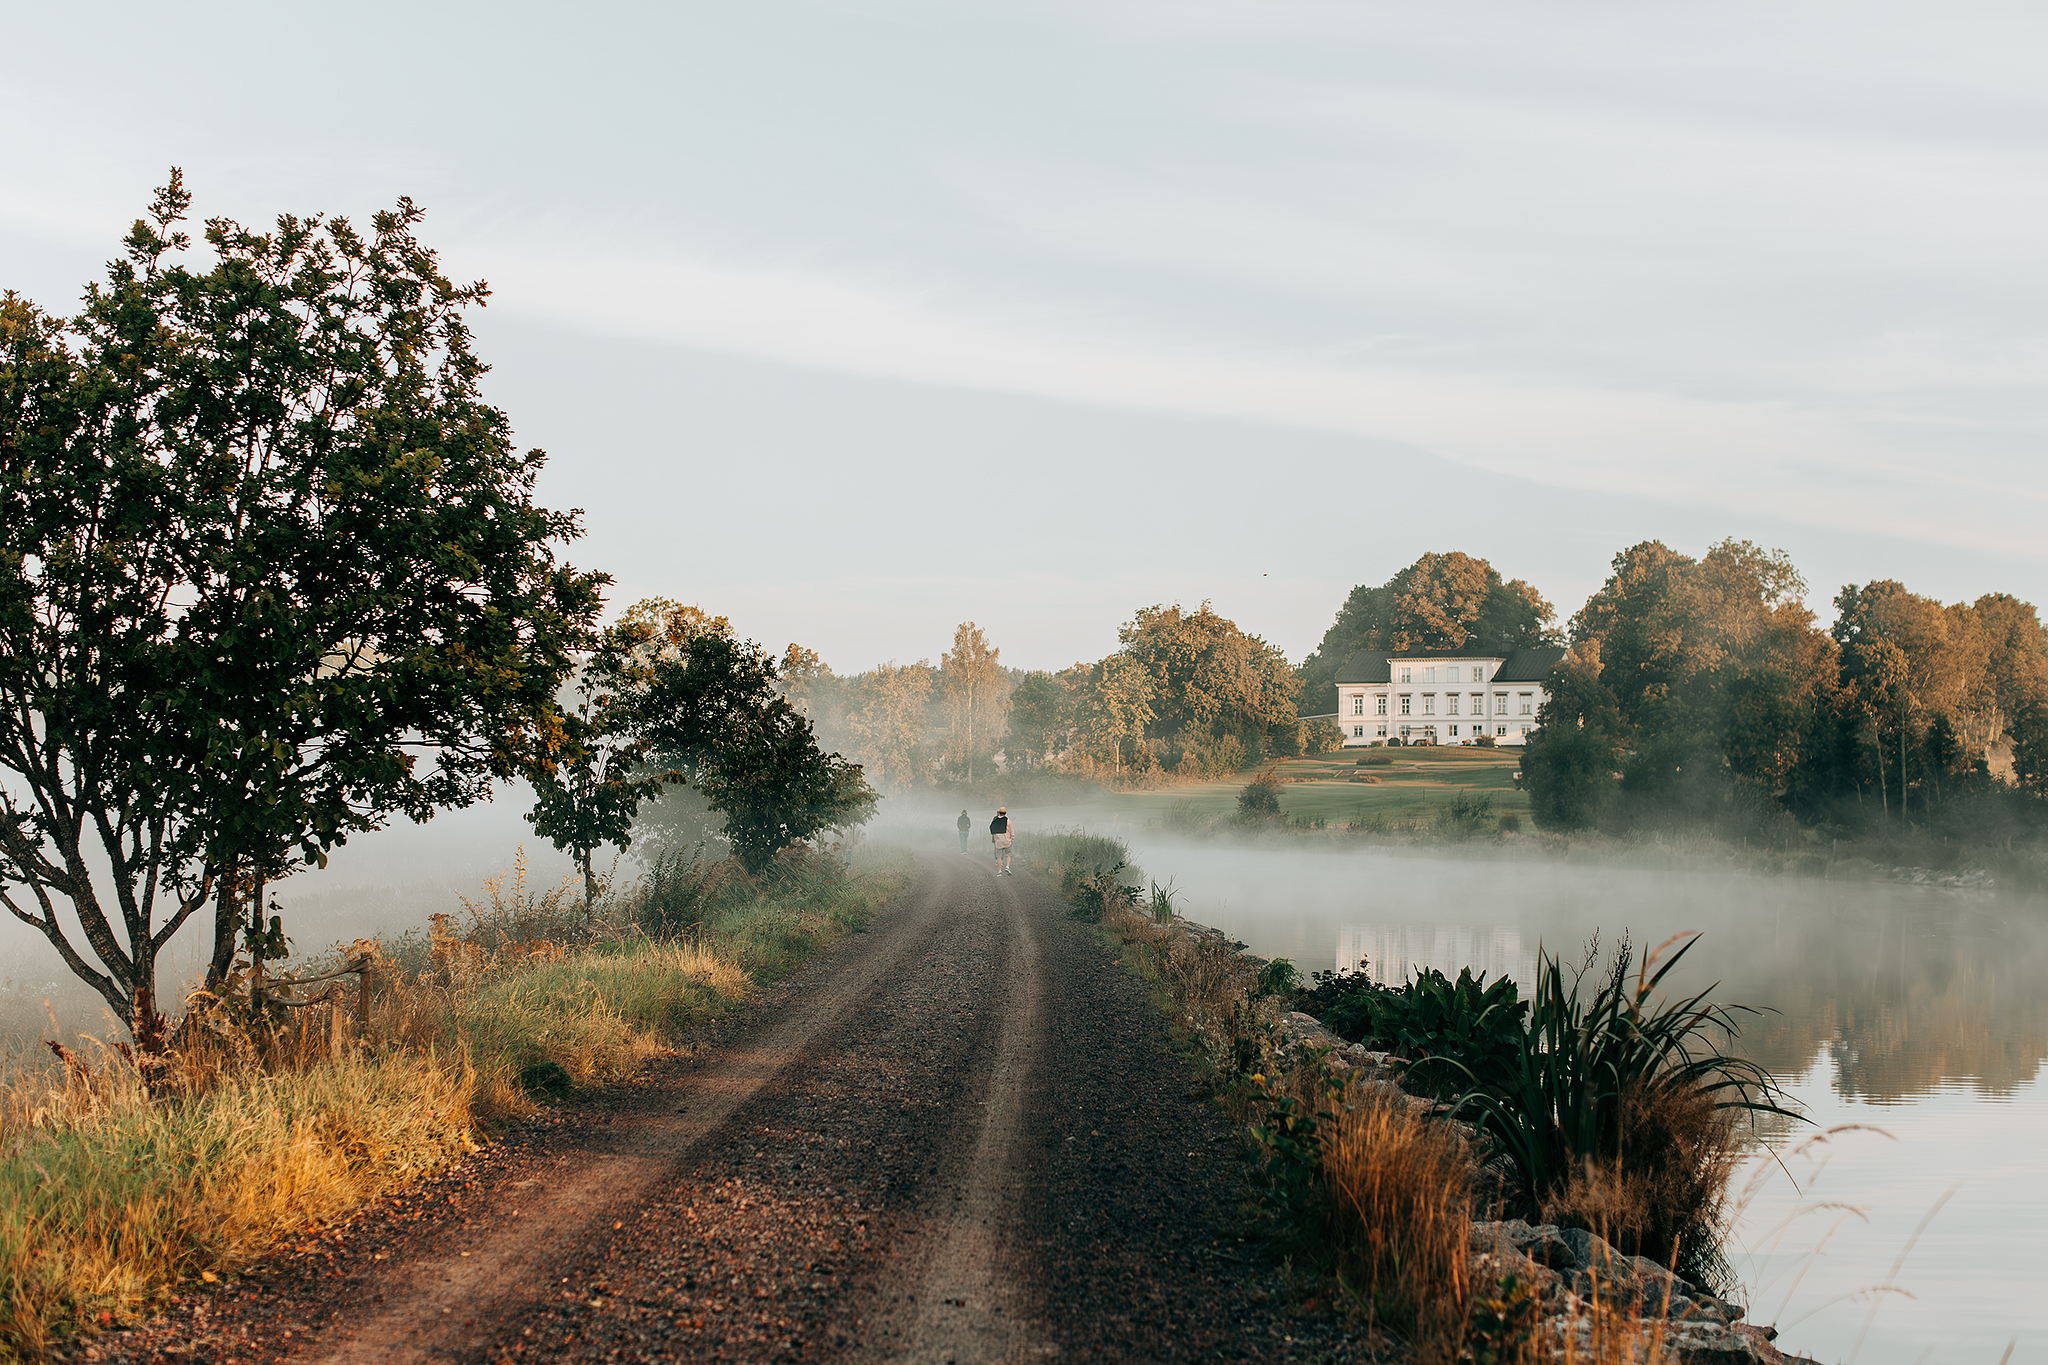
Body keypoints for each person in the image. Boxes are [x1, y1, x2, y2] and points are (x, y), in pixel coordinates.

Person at [989, 807, 1014, 876]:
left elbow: (992, 830)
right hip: (1007, 841)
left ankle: (999, 870)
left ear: (999, 812)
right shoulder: (1008, 821)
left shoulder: (995, 821)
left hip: (998, 842)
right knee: (1008, 854)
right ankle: (1007, 867)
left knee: (999, 856)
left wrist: (995, 838)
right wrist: (1011, 839)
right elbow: (1012, 832)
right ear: (1005, 813)